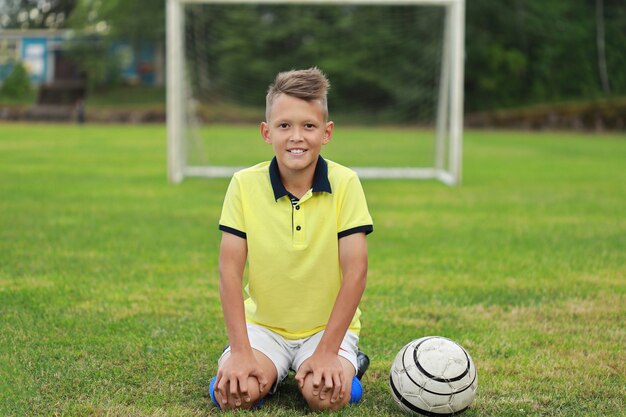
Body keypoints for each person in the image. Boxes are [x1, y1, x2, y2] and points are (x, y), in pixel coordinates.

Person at [210, 67, 373, 411]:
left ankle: (346, 360)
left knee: (323, 397)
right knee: (233, 397)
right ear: (266, 132)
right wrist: (240, 352)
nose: (296, 136)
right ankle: (269, 367)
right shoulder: (243, 184)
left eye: (308, 126)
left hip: (324, 330)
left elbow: (356, 272)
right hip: (264, 328)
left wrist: (328, 351)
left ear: (326, 132)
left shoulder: (346, 183)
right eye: (285, 126)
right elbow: (229, 272)